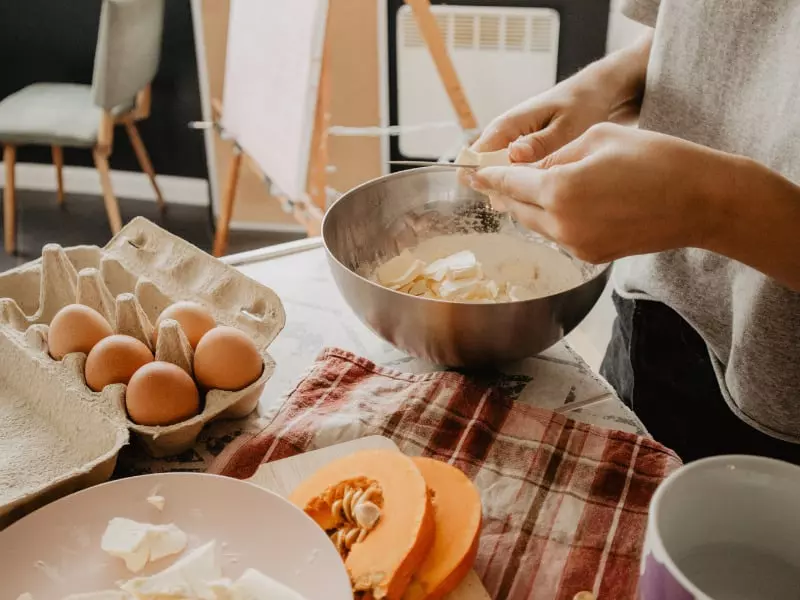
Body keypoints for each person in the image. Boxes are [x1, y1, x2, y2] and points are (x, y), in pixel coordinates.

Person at [466, 0, 800, 463]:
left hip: (780, 408)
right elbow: (713, 32)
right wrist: (607, 85)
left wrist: (717, 207)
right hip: (650, 318)